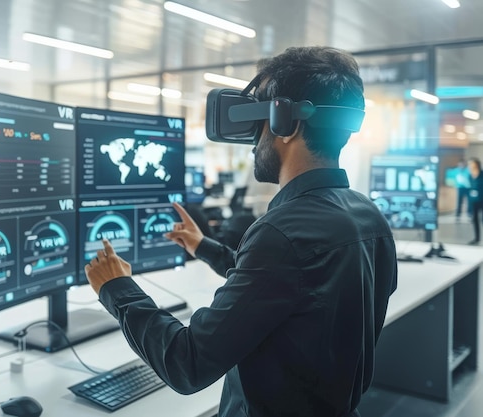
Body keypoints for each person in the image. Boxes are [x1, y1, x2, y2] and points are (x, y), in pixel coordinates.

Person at [84, 46, 398, 417]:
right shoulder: (368, 217)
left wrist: (116, 287)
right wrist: (205, 248)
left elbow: (188, 363)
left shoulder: (281, 233)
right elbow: (290, 288)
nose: (253, 141)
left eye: (257, 123)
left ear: (286, 124)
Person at [467, 157, 483, 245]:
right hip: (474, 200)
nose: (470, 166)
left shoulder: (482, 174)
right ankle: (477, 238)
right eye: (469, 164)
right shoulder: (470, 175)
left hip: (482, 199)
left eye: (472, 163)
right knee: (475, 219)